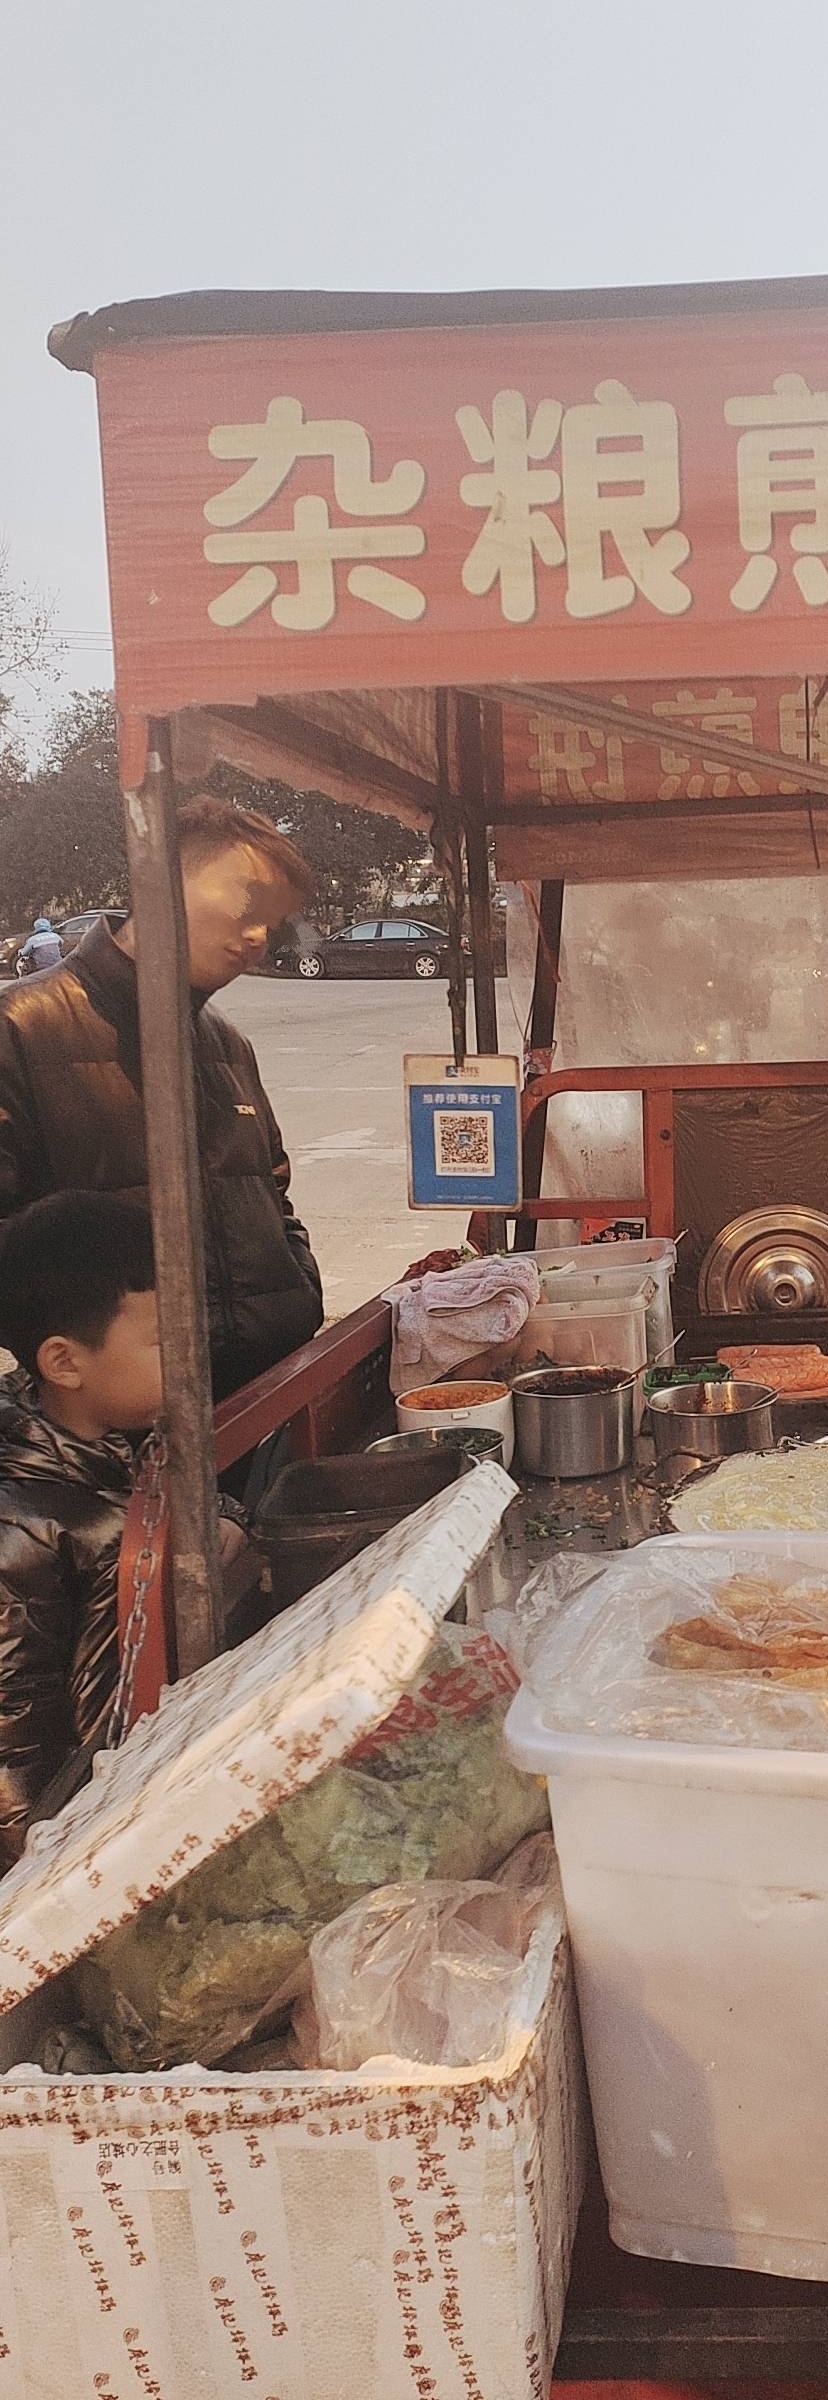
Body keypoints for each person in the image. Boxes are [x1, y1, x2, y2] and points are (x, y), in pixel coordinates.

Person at [0, 796, 323, 1399]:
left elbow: (273, 1195)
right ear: (157, 881)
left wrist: (299, 1292)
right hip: (122, 1424)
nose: (257, 933)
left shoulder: (227, 1042)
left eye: (272, 917)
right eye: (245, 900)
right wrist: (96, 1359)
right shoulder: (21, 1028)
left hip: (264, 1393)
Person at [0, 1194, 163, 1861]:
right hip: (68, 1834)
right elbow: (12, 1739)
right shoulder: (23, 1525)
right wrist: (51, 1873)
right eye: (164, 1340)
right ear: (65, 1363)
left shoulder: (116, 1442)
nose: (194, 1354)